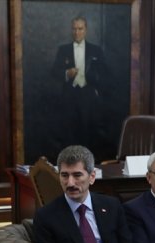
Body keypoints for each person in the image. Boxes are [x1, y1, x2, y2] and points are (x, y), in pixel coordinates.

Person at [51, 16, 107, 153]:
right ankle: (70, 161)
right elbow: (54, 72)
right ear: (71, 30)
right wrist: (66, 73)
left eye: (80, 29)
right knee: (69, 133)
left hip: (89, 96)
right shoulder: (63, 50)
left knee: (88, 132)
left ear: (86, 30)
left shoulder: (96, 50)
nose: (77, 32)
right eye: (74, 29)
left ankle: (87, 162)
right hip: (69, 96)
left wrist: (93, 80)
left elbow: (104, 73)